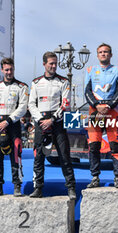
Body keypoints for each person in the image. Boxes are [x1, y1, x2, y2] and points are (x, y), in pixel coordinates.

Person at [28, 52, 76, 200]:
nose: (54, 66)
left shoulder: (63, 82)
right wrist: (41, 119)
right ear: (44, 64)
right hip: (41, 122)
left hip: (57, 123)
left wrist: (52, 119)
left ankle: (71, 187)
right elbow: (31, 104)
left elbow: (65, 103)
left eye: (55, 63)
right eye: (51, 63)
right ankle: (38, 188)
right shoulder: (36, 82)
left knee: (64, 156)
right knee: (39, 157)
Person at [84, 43, 118, 188]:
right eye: (101, 52)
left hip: (111, 110)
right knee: (94, 146)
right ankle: (95, 177)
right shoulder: (90, 70)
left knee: (115, 145)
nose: (103, 54)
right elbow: (87, 91)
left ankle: (117, 177)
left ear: (111, 54)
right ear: (97, 55)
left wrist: (108, 106)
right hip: (95, 111)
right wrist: (97, 106)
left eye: (106, 52)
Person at [0, 58, 28, 197]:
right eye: (6, 70)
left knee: (16, 156)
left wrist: (8, 121)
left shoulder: (22, 86)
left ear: (14, 69)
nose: (9, 72)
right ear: (2, 70)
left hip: (13, 125)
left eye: (11, 69)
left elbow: (22, 108)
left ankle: (17, 185)